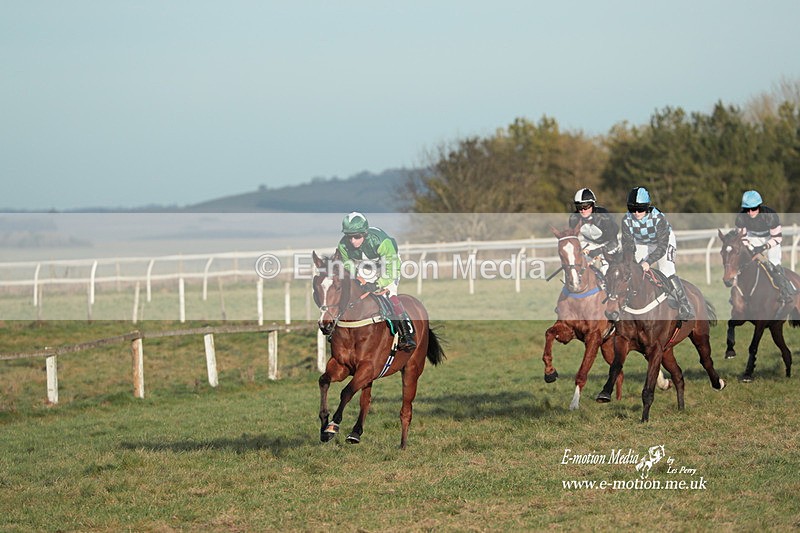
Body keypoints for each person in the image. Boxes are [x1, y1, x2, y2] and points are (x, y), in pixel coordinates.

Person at [337, 211, 416, 351]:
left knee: (389, 295)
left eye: (357, 236)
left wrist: (378, 285)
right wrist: (356, 275)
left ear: (365, 233)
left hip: (388, 267)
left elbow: (391, 268)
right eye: (349, 237)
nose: (352, 241)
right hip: (366, 266)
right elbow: (347, 262)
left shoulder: (381, 242)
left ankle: (406, 334)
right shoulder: (343, 245)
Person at [620, 186, 693, 321]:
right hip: (642, 242)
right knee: (630, 269)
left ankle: (684, 304)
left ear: (647, 207)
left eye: (640, 209)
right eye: (632, 209)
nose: (636, 212)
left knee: (666, 269)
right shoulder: (626, 220)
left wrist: (648, 261)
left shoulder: (658, 218)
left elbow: (662, 246)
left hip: (663, 242)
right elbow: (628, 245)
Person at [735, 190, 795, 306]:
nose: (750, 212)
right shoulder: (741, 217)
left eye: (753, 208)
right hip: (751, 239)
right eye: (747, 209)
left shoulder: (770, 216)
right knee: (742, 263)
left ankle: (785, 291)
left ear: (759, 206)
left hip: (770, 239)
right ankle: (736, 294)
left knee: (774, 263)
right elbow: (741, 237)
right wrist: (750, 247)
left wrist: (763, 247)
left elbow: (777, 238)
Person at [568, 188, 620, 276]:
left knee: (604, 270)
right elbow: (573, 239)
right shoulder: (574, 218)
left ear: (593, 205)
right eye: (579, 207)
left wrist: (598, 252)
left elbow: (613, 241)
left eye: (586, 206)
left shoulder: (604, 217)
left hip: (609, 246)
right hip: (590, 244)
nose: (582, 210)